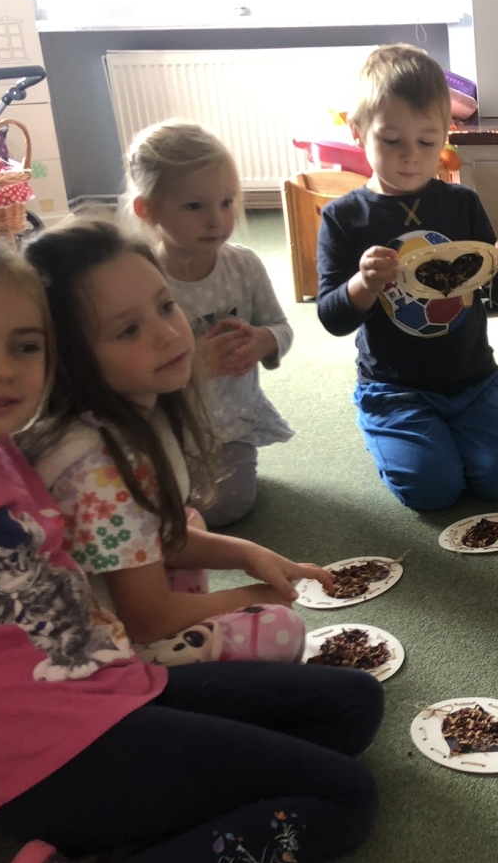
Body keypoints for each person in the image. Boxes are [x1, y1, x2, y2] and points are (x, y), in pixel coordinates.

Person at [0, 226, 384, 863]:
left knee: (351, 705)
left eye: (25, 345)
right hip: (44, 759)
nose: (2, 371)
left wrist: (241, 555)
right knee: (345, 797)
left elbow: (132, 545)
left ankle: (115, 833)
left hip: (109, 693)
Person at [19, 218, 322, 666]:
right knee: (280, 627)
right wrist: (251, 596)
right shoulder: (98, 465)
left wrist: (249, 553)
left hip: (121, 599)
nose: (169, 333)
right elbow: (147, 620)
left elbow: (165, 533)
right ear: (68, 357)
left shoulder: (134, 410)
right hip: (98, 648)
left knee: (188, 519)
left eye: (165, 306)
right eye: (128, 330)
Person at [316, 44, 498, 510]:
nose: (411, 157)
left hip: (472, 379)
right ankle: (388, 432)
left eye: (427, 141)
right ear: (357, 131)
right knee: (433, 491)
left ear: (447, 135)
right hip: (395, 389)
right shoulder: (344, 218)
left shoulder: (462, 204)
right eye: (392, 140)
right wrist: (363, 285)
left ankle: (453, 435)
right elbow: (332, 318)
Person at [125, 119, 294, 526]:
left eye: (226, 202)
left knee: (225, 505)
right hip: (160, 426)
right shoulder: (139, 277)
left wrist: (263, 341)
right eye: (194, 206)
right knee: (139, 499)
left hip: (227, 427)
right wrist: (192, 363)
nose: (216, 219)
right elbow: (125, 369)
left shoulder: (244, 267)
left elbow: (281, 328)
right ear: (147, 211)